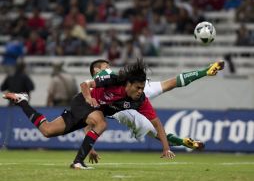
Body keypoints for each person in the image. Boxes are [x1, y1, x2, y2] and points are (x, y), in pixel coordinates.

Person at [2, 59, 175, 170]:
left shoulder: (140, 100)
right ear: (128, 83)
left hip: (90, 111)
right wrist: (89, 98)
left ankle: (21, 100)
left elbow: (157, 123)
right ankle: (78, 162)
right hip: (82, 102)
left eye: (142, 88)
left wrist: (166, 148)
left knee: (47, 131)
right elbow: (85, 85)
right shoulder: (113, 79)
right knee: (101, 123)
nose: (140, 91)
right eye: (137, 87)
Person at [86, 59, 224, 163]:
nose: (109, 69)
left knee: (152, 128)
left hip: (130, 93)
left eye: (109, 67)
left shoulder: (114, 82)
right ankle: (205, 71)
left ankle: (178, 142)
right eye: (105, 67)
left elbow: (88, 124)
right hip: (129, 94)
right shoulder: (95, 87)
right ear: (96, 71)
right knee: (170, 84)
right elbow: (87, 122)